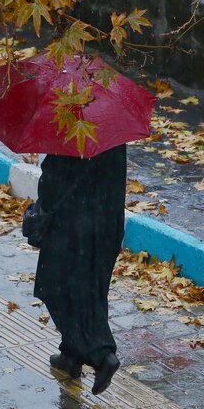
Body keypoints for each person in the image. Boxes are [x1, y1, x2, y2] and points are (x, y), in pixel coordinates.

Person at [33, 143, 127, 395]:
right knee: (92, 288)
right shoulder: (110, 125)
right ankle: (70, 356)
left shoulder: (70, 121)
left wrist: (41, 208)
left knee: (55, 285)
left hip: (74, 222)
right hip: (107, 220)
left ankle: (101, 354)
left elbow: (56, 177)